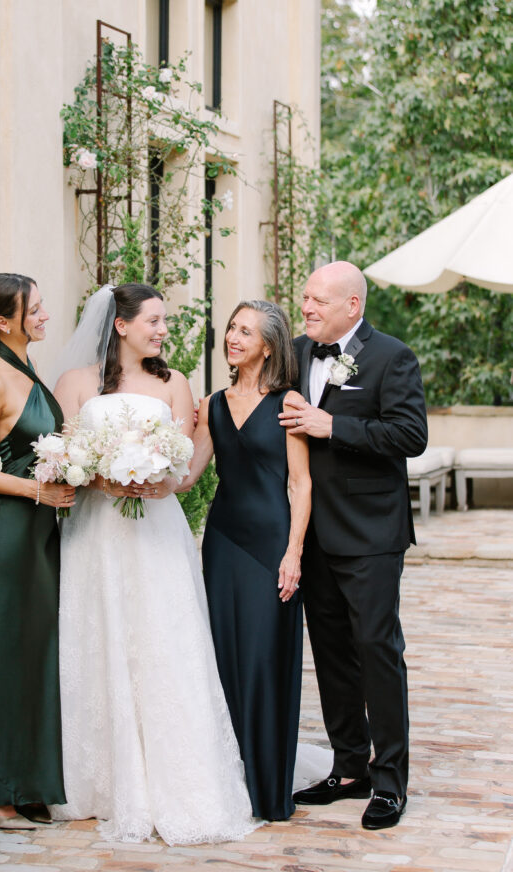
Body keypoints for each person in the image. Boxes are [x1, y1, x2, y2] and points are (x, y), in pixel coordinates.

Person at [51, 283, 257, 845]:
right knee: (97, 635)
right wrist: (102, 477)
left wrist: (154, 479)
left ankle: (177, 777)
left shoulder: (176, 384)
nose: (164, 330)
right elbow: (65, 454)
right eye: (155, 320)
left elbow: (185, 466)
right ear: (120, 325)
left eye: (165, 321)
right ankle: (96, 783)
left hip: (156, 533)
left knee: (164, 640)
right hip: (96, 532)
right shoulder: (73, 383)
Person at [279, 261, 427, 830]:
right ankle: (349, 769)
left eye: (319, 299)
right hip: (309, 531)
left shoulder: (392, 356)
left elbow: (410, 435)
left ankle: (390, 782)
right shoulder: (293, 352)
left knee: (377, 652)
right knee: (332, 655)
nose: (308, 307)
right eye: (306, 297)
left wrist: (332, 426)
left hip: (369, 535)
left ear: (353, 305)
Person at [181, 300, 313, 821]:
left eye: (246, 332)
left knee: (262, 658)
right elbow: (189, 474)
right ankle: (230, 783)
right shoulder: (211, 403)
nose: (233, 337)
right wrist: (139, 470)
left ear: (268, 345)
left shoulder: (288, 402)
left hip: (271, 544)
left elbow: (300, 483)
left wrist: (294, 552)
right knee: (223, 657)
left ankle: (265, 786)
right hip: (223, 541)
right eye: (232, 328)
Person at [0, 273, 75, 830]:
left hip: (40, 532)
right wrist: (36, 490)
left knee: (30, 658)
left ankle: (22, 781)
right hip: (8, 532)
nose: (45, 314)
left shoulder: (26, 369)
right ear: (5, 322)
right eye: (37, 307)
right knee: (1, 659)